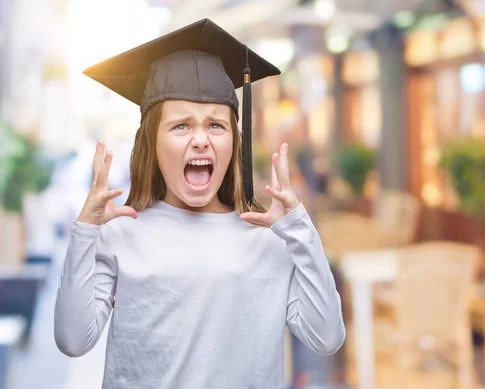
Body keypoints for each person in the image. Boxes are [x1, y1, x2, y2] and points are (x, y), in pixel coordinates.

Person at [53, 19, 345, 389]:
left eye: (216, 126)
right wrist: (86, 232)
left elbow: (327, 337)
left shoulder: (269, 238)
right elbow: (72, 340)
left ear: (235, 142)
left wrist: (299, 229)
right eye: (181, 126)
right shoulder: (122, 232)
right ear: (152, 144)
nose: (201, 140)